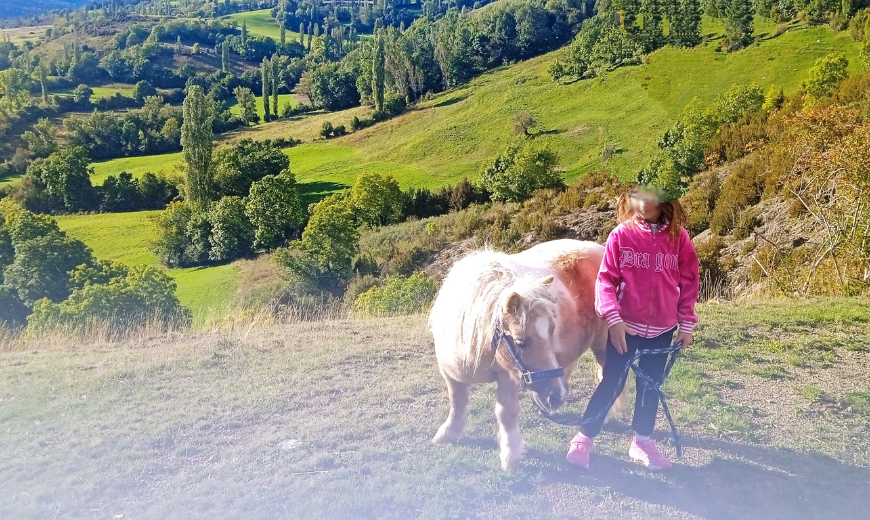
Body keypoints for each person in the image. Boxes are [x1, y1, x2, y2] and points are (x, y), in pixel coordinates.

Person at [565, 186, 700, 471]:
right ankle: (584, 437)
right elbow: (605, 281)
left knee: (650, 385)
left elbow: (689, 282)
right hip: (624, 329)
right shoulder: (620, 235)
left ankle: (642, 441)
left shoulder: (679, 238)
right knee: (612, 382)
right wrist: (613, 320)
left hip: (663, 329)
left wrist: (686, 324)